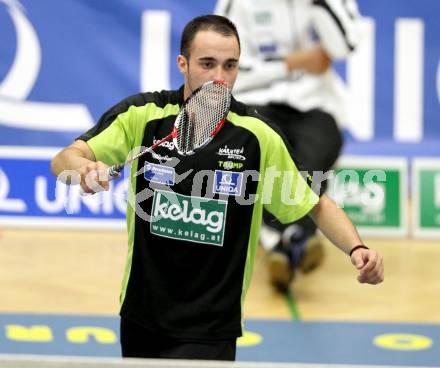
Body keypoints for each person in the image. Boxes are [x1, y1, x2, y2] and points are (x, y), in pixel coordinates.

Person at [51, 15, 383, 361]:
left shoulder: (257, 137)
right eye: (208, 64)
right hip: (141, 314)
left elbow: (315, 203)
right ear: (183, 63)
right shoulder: (143, 115)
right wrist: (83, 170)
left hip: (211, 327)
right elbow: (66, 158)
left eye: (230, 66)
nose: (220, 78)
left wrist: (357, 248)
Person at [215, 0, 363, 291]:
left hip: (315, 103)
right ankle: (298, 236)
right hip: (256, 98)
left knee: (316, 156)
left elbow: (344, 45)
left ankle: (280, 243)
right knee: (268, 155)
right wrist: (292, 63)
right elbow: (226, 63)